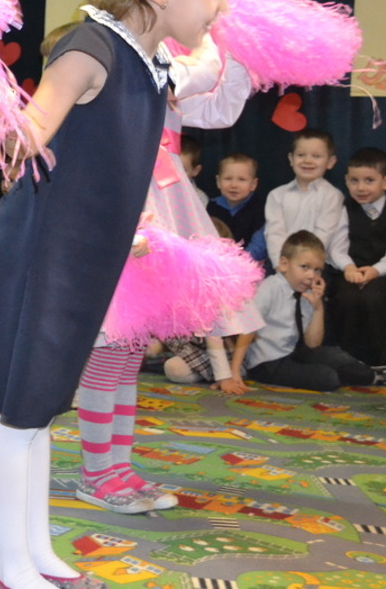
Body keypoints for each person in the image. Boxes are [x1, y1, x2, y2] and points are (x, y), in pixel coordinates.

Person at [0, 0, 242, 589]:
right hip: (38, 257)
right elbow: (25, 138)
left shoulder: (149, 62)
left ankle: (37, 553)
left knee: (40, 414)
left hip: (80, 263)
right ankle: (10, 566)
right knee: (16, 417)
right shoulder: (89, 48)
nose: (220, 7)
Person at [76, 33, 262, 516]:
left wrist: (240, 54)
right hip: (121, 208)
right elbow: (193, 74)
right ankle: (96, 474)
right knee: (110, 347)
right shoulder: (132, 64)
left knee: (130, 351)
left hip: (163, 209)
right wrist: (220, 36)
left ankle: (117, 467)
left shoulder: (166, 70)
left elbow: (220, 108)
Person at [231, 230, 386, 392]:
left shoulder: (306, 292)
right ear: (284, 264)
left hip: (293, 353)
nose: (311, 275)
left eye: (317, 270)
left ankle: (372, 375)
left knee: (336, 356)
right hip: (268, 362)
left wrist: (317, 307)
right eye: (304, 267)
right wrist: (235, 370)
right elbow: (248, 329)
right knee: (327, 378)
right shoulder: (269, 288)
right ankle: (356, 376)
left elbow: (313, 344)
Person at [325, 147, 386, 365]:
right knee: (346, 298)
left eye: (369, 180)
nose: (360, 187)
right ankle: (348, 357)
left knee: (375, 298)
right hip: (349, 272)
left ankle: (385, 357)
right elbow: (336, 246)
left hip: (385, 274)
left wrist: (376, 271)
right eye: (354, 181)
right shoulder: (344, 209)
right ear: (346, 180)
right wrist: (349, 268)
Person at [264, 130, 342, 266]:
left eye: (316, 156)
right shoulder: (276, 195)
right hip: (282, 265)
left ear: (330, 162)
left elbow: (323, 234)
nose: (307, 161)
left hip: (316, 266)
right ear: (291, 159)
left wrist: (304, 266)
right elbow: (274, 234)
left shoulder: (332, 196)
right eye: (301, 155)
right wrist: (280, 265)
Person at [207, 152, 268, 264]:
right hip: (216, 264)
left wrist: (239, 263)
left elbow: (259, 244)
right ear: (218, 181)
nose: (234, 185)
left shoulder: (260, 210)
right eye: (228, 178)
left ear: (253, 184)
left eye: (241, 179)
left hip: (249, 266)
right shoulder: (210, 208)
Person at [178, 134, 208, 206]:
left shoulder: (199, 198)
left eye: (183, 170)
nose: (176, 174)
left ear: (195, 171)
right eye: (171, 168)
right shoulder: (154, 191)